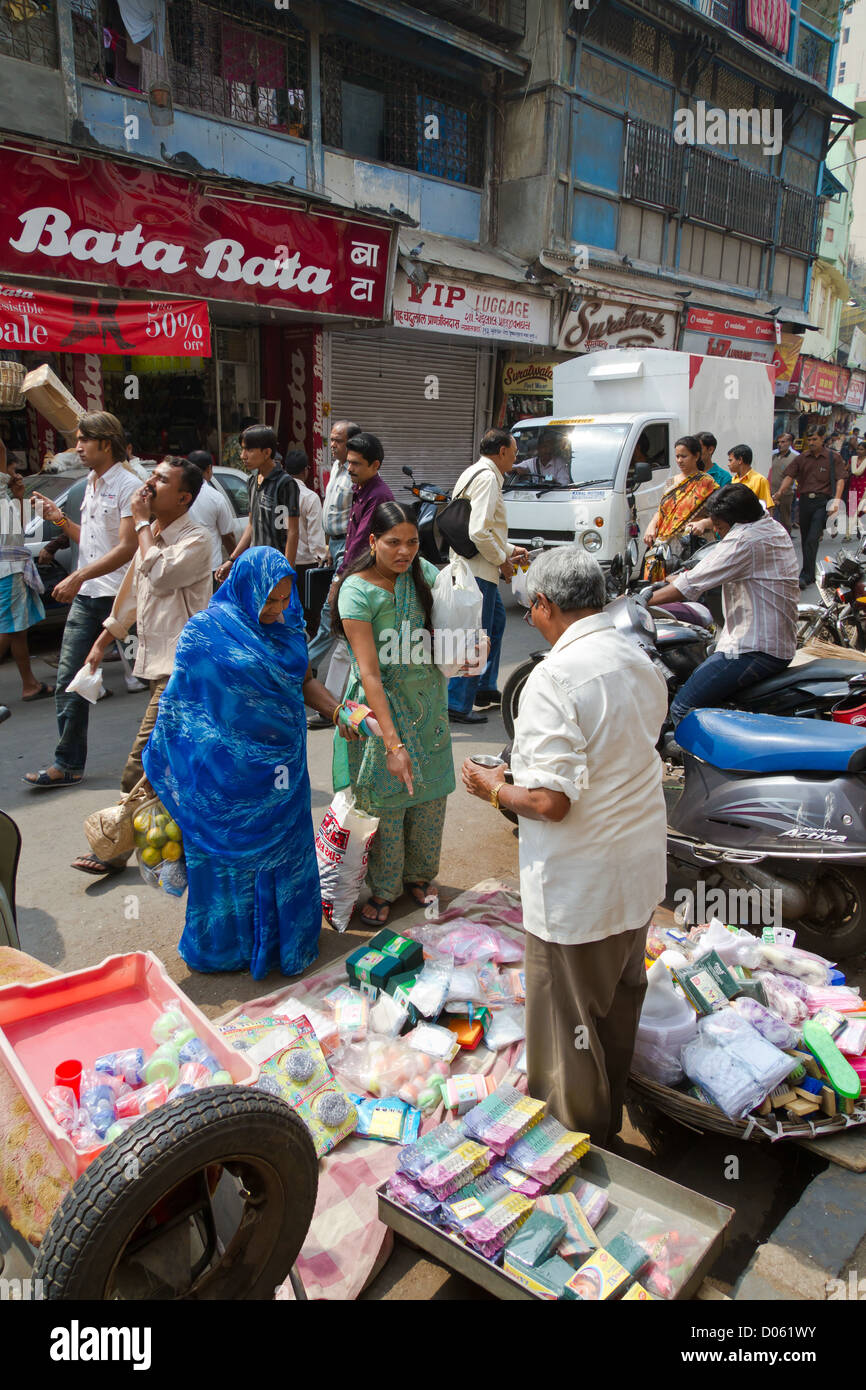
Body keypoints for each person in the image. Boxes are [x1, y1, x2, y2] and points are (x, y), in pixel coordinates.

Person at [461, 549, 668, 1145]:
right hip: (635, 873)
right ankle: (606, 1119)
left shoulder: (555, 676)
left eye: (533, 609)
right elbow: (618, 752)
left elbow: (552, 802)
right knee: (615, 1011)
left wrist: (496, 788)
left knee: (567, 1033)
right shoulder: (637, 657)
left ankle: (578, 1151)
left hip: (581, 886)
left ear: (547, 606)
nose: (533, 619)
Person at [143, 548, 347, 979]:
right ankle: (225, 949)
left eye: (284, 598)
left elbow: (305, 681)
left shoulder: (289, 627)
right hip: (224, 778)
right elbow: (182, 705)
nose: (275, 609)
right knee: (226, 865)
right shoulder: (205, 633)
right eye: (268, 600)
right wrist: (161, 765)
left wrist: (339, 712)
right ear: (242, 588)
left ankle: (286, 943)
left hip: (282, 773)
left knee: (285, 856)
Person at [71, 457, 212, 874]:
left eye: (161, 480)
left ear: (184, 497)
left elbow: (162, 574)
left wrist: (140, 524)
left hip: (182, 672)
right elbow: (132, 596)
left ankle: (113, 849)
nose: (150, 484)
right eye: (151, 476)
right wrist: (101, 643)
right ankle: (182, 846)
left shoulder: (195, 539)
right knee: (171, 761)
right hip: (161, 670)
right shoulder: (155, 535)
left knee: (143, 758)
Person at [333, 501, 455, 927]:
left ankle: (419, 876)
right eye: (393, 543)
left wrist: (473, 645)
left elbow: (456, 623)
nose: (404, 551)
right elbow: (369, 672)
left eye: (413, 542)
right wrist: (392, 741)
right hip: (378, 707)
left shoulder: (426, 574)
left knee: (429, 798)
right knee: (385, 799)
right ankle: (384, 889)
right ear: (372, 542)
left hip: (429, 706)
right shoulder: (357, 590)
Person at [24, 412, 138, 788]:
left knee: (162, 681)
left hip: (124, 599)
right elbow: (89, 541)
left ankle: (175, 761)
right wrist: (59, 520)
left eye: (83, 441)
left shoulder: (128, 485)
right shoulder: (89, 483)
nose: (77, 449)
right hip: (89, 598)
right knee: (69, 680)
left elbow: (126, 547)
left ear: (106, 443)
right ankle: (67, 764)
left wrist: (78, 575)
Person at [651, 485, 799, 725]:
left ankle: (695, 761)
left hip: (754, 649)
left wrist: (642, 600)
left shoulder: (745, 540)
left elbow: (689, 586)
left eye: (719, 527)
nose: (718, 533)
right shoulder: (768, 525)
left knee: (682, 707)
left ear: (737, 522)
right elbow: (705, 568)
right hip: (774, 643)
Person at [446, 429, 529, 723]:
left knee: (496, 622)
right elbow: (478, 532)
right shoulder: (487, 477)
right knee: (476, 637)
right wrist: (504, 561)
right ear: (502, 451)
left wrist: (510, 548)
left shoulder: (475, 472)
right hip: (478, 571)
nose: (516, 458)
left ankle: (482, 686)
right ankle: (456, 702)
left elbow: (483, 529)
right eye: (514, 451)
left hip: (474, 567)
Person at [306, 419, 362, 688]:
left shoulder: (357, 476)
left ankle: (303, 668)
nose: (332, 445)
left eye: (337, 440)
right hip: (336, 546)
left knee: (331, 613)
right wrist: (328, 546)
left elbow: (356, 520)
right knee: (331, 617)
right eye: (331, 439)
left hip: (349, 548)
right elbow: (332, 511)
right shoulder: (337, 469)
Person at [0, 439, 52, 701]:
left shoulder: (7, 497)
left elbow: (18, 531)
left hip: (13, 568)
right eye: (12, 470)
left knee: (17, 629)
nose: (17, 475)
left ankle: (29, 683)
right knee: (8, 628)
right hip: (6, 570)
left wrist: (19, 496)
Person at [214, 425, 299, 582]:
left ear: (267, 452)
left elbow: (292, 532)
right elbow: (251, 526)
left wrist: (287, 572)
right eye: (242, 450)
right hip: (256, 565)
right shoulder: (252, 481)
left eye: (249, 450)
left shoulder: (285, 483)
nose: (242, 456)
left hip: (276, 568)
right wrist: (231, 560)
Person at [774, 426, 846, 589]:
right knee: (806, 539)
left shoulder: (833, 457)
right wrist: (779, 492)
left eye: (815, 439)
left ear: (822, 439)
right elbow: (790, 476)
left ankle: (805, 574)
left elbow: (841, 480)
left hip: (822, 503)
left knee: (812, 538)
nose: (811, 442)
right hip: (805, 503)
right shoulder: (802, 458)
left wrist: (836, 501)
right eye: (809, 439)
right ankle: (810, 574)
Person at [642, 435, 717, 581]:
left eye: (684, 456)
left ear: (696, 456)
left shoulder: (707, 482)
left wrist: (703, 523)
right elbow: (662, 511)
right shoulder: (671, 482)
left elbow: (719, 516)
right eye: (677, 456)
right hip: (668, 543)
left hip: (695, 543)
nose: (679, 460)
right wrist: (651, 526)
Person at [283, 448, 328, 632]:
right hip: (306, 565)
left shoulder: (278, 493)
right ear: (306, 470)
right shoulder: (310, 497)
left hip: (282, 560)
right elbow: (316, 536)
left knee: (285, 612)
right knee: (309, 616)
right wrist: (322, 560)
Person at [187, 449, 236, 581]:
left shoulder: (176, 494)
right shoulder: (215, 497)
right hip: (209, 567)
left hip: (182, 567)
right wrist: (234, 560)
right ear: (209, 469)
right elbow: (227, 536)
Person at [726, 444, 773, 510]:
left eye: (730, 460)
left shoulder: (760, 480)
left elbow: (768, 507)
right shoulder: (733, 480)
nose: (728, 464)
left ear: (740, 460)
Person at [769, 432, 798, 533]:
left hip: (786, 493)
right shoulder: (773, 455)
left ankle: (786, 538)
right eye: (779, 442)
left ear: (790, 443)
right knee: (770, 518)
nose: (780, 444)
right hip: (771, 492)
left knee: (785, 519)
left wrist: (782, 491)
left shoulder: (795, 457)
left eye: (783, 442)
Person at [852, 441, 866, 534]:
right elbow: (846, 470)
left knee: (861, 509)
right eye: (858, 449)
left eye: (861, 449)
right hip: (853, 486)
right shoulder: (852, 460)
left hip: (864, 487)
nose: (859, 451)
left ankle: (860, 527)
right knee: (852, 509)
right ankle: (853, 530)